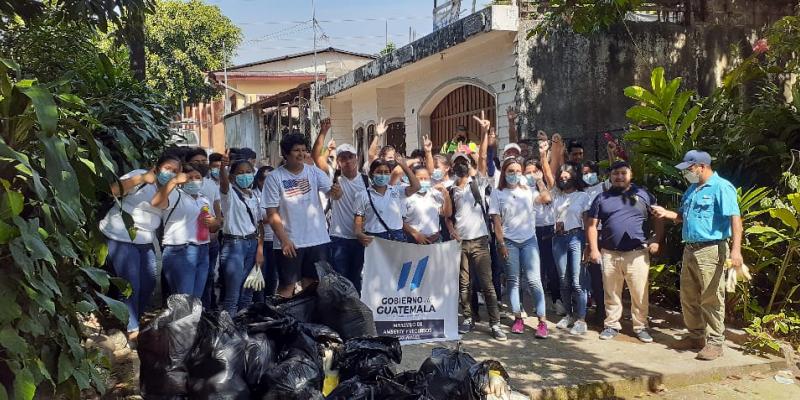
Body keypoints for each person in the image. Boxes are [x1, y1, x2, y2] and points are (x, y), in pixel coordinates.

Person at [651, 150, 742, 361]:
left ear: (702, 166)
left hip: (711, 249)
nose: (687, 173)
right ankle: (695, 337)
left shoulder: (721, 187)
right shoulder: (692, 189)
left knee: (711, 297)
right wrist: (666, 213)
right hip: (690, 249)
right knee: (688, 296)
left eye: (690, 169)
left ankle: (715, 343)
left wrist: (736, 250)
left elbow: (735, 218)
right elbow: (682, 216)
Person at [99, 153, 181, 340]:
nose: (170, 173)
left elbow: (157, 203)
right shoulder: (139, 175)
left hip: (144, 239)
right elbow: (112, 190)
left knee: (149, 281)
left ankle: (132, 316)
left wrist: (170, 185)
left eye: (175, 171)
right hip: (120, 235)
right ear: (157, 166)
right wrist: (142, 178)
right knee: (131, 284)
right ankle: (132, 328)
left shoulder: (171, 190)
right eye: (168, 168)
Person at [587, 160, 664, 343]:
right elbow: (591, 225)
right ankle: (612, 325)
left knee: (639, 292)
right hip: (609, 253)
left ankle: (641, 326)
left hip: (637, 253)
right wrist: (594, 249)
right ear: (610, 177)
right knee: (611, 292)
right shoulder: (602, 198)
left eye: (623, 173)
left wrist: (656, 239)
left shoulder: (643, 195)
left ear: (630, 175)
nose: (619, 177)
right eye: (615, 174)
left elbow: (659, 217)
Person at [446, 112, 506, 341]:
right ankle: (469, 318)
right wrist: (451, 230)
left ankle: (495, 323)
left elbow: (482, 157)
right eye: (458, 162)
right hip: (460, 242)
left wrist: (483, 132)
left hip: (480, 241)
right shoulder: (450, 189)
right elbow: (448, 216)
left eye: (465, 162)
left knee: (487, 285)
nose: (462, 165)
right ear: (453, 167)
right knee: (464, 285)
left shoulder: (477, 184)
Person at [489, 151, 552, 338]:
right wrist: (500, 243)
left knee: (534, 281)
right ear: (504, 172)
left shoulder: (527, 191)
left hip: (529, 241)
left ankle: (542, 321)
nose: (514, 174)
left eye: (518, 171)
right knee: (513, 281)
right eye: (510, 170)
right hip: (509, 241)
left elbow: (546, 198)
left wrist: (540, 180)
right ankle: (518, 318)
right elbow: (496, 221)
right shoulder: (497, 193)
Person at [264, 133, 334, 299]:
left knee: (312, 285)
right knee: (287, 286)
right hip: (291, 242)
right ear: (286, 154)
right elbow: (271, 213)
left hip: (317, 240)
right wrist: (284, 240)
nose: (301, 154)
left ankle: (307, 322)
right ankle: (283, 321)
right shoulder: (275, 178)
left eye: (304, 150)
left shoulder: (314, 172)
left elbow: (331, 193)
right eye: (296, 150)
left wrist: (336, 192)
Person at [312, 120, 370, 293]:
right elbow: (316, 157)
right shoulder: (332, 178)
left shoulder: (367, 181)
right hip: (339, 239)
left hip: (361, 239)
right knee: (341, 281)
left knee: (358, 279)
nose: (347, 161)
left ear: (357, 158)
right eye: (343, 158)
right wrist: (323, 131)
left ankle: (358, 313)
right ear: (338, 162)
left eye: (350, 157)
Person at [151, 162, 220, 299]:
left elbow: (213, 227)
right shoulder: (175, 194)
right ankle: (181, 321)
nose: (194, 181)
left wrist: (215, 222)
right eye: (189, 178)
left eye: (197, 177)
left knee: (195, 300)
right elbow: (156, 202)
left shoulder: (204, 199)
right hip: (181, 250)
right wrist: (174, 181)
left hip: (202, 249)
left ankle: (192, 321)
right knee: (184, 299)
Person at [548, 134, 592, 335]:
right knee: (563, 279)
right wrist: (555, 147)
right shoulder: (556, 195)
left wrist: (588, 246)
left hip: (576, 238)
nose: (564, 179)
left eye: (568, 177)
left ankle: (581, 319)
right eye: (561, 178)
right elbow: (553, 167)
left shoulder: (583, 196)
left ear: (574, 177)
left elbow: (587, 221)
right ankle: (568, 315)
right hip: (558, 239)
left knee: (577, 280)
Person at [218, 151, 261, 315]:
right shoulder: (229, 195)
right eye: (240, 173)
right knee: (233, 293)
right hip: (234, 245)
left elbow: (258, 223)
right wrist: (223, 167)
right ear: (232, 176)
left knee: (248, 290)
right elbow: (223, 184)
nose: (245, 176)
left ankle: (243, 326)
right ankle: (229, 331)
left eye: (248, 172)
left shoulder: (253, 195)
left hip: (252, 243)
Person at [183, 148, 223, 308]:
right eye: (196, 162)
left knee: (208, 277)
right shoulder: (179, 190)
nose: (201, 164)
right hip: (188, 244)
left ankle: (205, 311)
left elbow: (217, 210)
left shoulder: (211, 186)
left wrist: (216, 226)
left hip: (209, 241)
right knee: (188, 283)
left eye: (203, 161)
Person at [355, 155, 420, 244]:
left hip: (396, 236)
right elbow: (358, 219)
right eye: (379, 172)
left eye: (386, 172)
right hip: (375, 238)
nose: (383, 175)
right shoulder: (363, 195)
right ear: (371, 174)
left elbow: (416, 187)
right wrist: (359, 234)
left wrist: (404, 167)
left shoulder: (396, 191)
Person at [403, 164, 452, 244]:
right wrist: (415, 234)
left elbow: (447, 214)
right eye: (420, 179)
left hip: (435, 240)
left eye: (426, 179)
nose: (423, 181)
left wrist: (446, 194)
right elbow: (399, 221)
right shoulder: (406, 196)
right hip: (414, 242)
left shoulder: (434, 193)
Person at [252, 166, 278, 299]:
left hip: (276, 240)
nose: (266, 183)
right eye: (263, 180)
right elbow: (259, 219)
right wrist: (273, 217)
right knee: (260, 274)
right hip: (260, 240)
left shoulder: (279, 193)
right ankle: (259, 303)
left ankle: (270, 301)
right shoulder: (253, 194)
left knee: (273, 276)